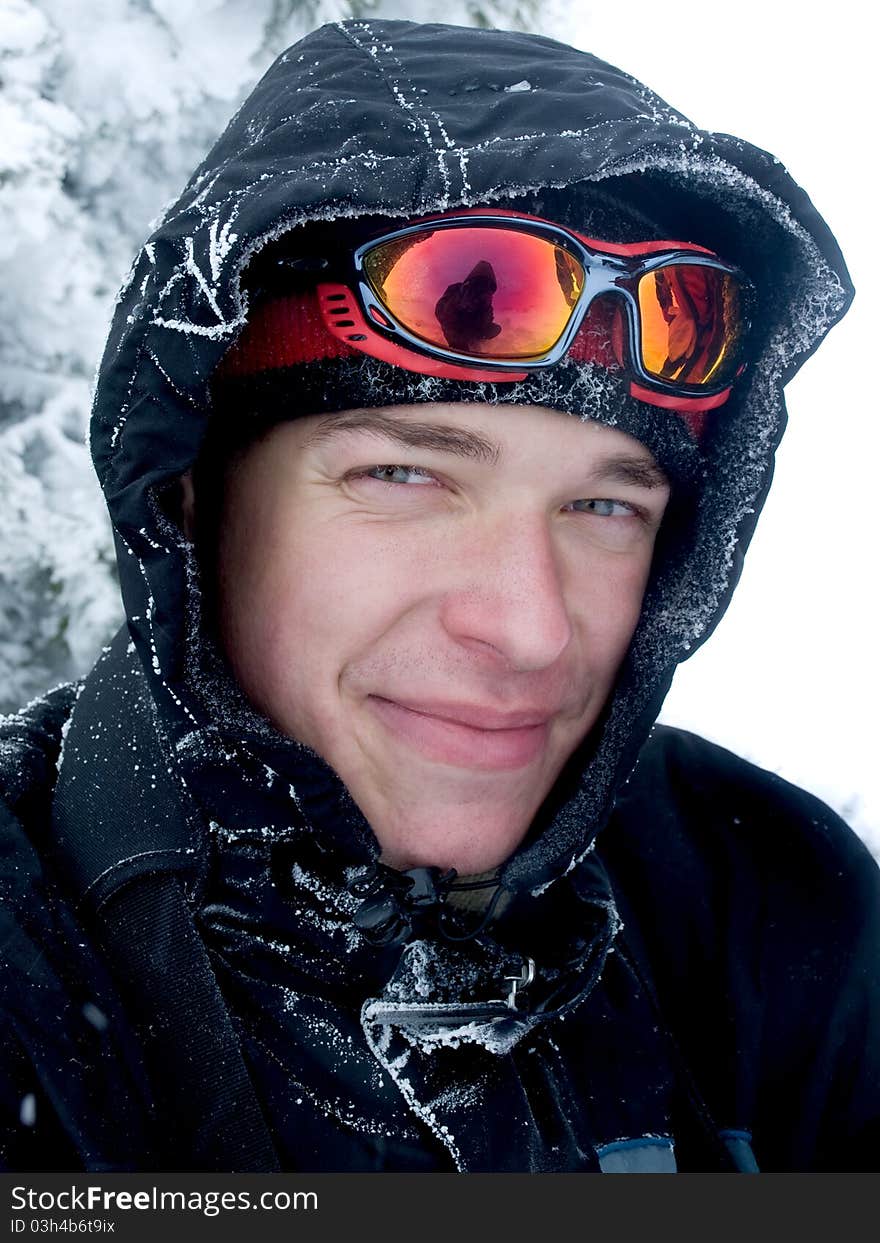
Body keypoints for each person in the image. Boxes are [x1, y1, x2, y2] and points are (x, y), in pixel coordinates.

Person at [1, 18, 877, 1175]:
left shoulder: (762, 902)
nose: (529, 628)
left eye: (605, 508)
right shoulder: (35, 963)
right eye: (405, 475)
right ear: (194, 501)